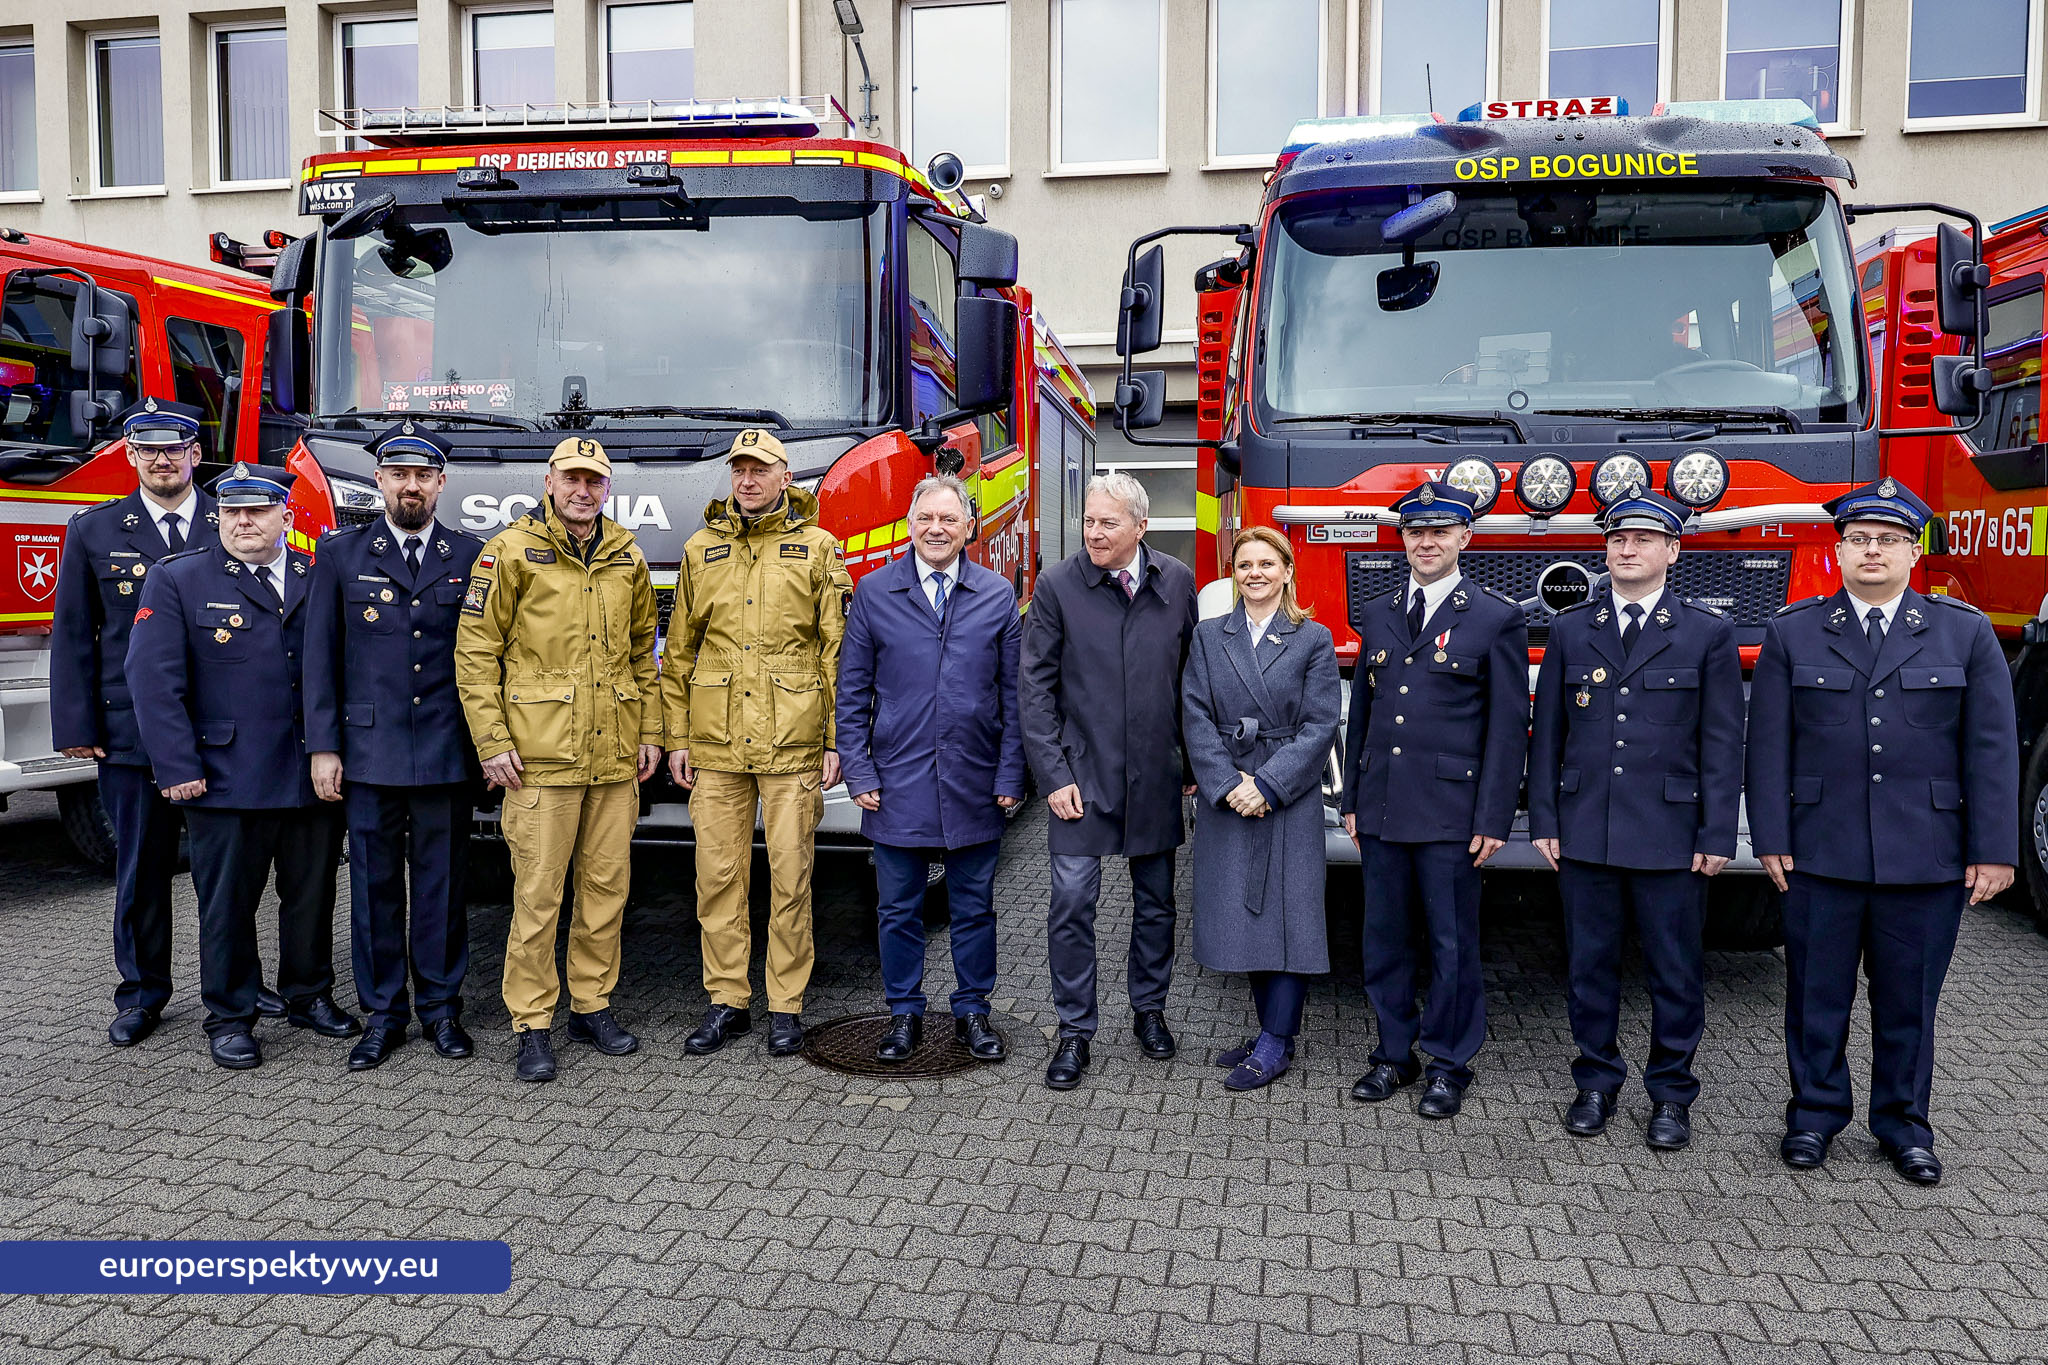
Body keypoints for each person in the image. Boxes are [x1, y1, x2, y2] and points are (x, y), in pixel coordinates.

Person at [1747, 477, 2017, 1186]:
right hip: (1820, 851)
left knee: (1909, 1002)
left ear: (1912, 551)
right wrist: (1771, 833)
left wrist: (1993, 849)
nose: (1873, 551)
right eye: (1860, 539)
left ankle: (1905, 1126)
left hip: (1925, 856)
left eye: (1888, 540)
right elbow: (1767, 746)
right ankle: (1812, 1116)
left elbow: (1991, 748)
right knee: (1815, 997)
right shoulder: (1793, 630)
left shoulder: (1966, 631)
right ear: (1838, 550)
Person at [1528, 491, 1744, 1150]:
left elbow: (1721, 742)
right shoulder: (1570, 629)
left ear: (1673, 551)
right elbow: (1548, 736)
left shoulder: (1708, 633)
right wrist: (1545, 816)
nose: (1628, 549)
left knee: (1674, 971)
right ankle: (1596, 1081)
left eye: (1645, 540)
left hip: (1672, 834)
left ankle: (1671, 1093)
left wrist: (1716, 833)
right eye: (1619, 539)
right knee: (1589, 966)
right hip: (1587, 827)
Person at [126, 463, 358, 1069]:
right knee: (227, 904)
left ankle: (309, 994)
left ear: (286, 515)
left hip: (310, 772)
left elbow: (336, 669)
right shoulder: (179, 578)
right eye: (232, 511)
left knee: (310, 895)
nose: (244, 521)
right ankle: (229, 1015)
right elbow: (153, 682)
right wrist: (177, 765)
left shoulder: (316, 573)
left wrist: (335, 750)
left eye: (257, 511)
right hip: (224, 775)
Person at [454, 436, 663, 1083]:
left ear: (606, 488)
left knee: (606, 892)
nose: (582, 490)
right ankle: (533, 1022)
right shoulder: (510, 552)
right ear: (549, 481)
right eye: (571, 478)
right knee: (539, 897)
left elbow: (641, 655)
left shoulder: (626, 555)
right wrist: (491, 743)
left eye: (594, 481)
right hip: (541, 759)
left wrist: (650, 731)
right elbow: (475, 653)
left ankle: (591, 1005)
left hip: (613, 758)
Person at [662, 428, 851, 1059]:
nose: (747, 480)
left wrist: (834, 740)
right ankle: (727, 1000)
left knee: (791, 875)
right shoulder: (700, 549)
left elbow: (837, 652)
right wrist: (677, 734)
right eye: (739, 469)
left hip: (793, 742)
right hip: (715, 744)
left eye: (760, 469)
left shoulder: (820, 549)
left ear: (784, 478)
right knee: (717, 876)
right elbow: (680, 652)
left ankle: (787, 1005)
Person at [51, 399, 236, 1045]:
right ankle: (141, 993)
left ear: (194, 452)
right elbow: (74, 633)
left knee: (225, 875)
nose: (162, 459)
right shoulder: (95, 530)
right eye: (148, 448)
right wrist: (75, 722)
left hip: (220, 733)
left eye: (175, 447)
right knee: (141, 869)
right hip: (128, 733)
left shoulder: (232, 519)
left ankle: (236, 989)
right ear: (129, 455)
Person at [1340, 481, 1527, 1119]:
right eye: (1416, 531)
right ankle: (1395, 1054)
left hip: (1452, 812)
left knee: (1451, 943)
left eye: (1440, 531)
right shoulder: (1380, 611)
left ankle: (1448, 1062)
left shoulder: (1494, 617)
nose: (1426, 542)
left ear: (1464, 539)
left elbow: (1507, 728)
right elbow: (1363, 711)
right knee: (1384, 939)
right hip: (1385, 806)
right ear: (1403, 539)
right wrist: (1352, 798)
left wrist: (1495, 815)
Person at [304, 423, 486, 1071]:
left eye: (423, 475)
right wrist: (324, 747)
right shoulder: (340, 555)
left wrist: (489, 747)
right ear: (379, 480)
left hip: (444, 751)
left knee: (441, 887)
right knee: (375, 888)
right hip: (369, 752)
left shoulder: (471, 557)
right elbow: (321, 660)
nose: (411, 485)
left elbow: (489, 659)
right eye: (398, 474)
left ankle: (440, 1009)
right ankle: (384, 1014)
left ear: (440, 483)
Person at [836, 475, 1025, 1065]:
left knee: (974, 906)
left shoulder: (996, 595)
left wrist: (1011, 774)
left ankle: (973, 1010)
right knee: (897, 908)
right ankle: (903, 1014)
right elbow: (852, 690)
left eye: (948, 520)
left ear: (969, 527)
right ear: (911, 524)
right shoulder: (874, 592)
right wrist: (860, 772)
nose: (936, 530)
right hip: (897, 780)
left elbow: (1015, 695)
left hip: (974, 779)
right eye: (926, 520)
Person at [1021, 471, 1199, 1091]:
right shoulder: (1058, 586)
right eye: (1089, 522)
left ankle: (1149, 1010)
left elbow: (1190, 683)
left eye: (1107, 523)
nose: (1093, 533)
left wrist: (1194, 765)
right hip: (1081, 775)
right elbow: (1034, 689)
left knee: (1157, 905)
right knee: (1072, 903)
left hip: (1155, 774)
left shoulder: (1176, 582)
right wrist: (1052, 775)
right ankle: (1074, 1030)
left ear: (1140, 527)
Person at [1181, 527, 1340, 1091]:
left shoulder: (1313, 638)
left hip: (1285, 793)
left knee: (1290, 914)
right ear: (1233, 573)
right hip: (1228, 790)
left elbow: (1320, 725)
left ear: (1287, 571)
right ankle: (1267, 1029)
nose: (1254, 573)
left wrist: (1267, 785)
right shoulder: (1207, 636)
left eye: (1266, 564)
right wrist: (1226, 783)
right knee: (1244, 914)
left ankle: (1278, 1040)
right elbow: (1194, 713)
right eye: (1244, 563)